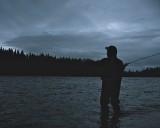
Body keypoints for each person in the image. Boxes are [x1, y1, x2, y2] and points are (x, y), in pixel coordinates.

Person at [100, 45, 127, 117]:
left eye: (108, 52)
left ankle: (105, 119)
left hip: (106, 86)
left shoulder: (104, 61)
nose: (107, 53)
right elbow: (120, 73)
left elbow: (101, 71)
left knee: (104, 102)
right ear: (116, 53)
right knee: (114, 102)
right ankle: (116, 119)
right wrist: (123, 67)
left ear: (109, 53)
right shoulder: (119, 62)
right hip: (116, 86)